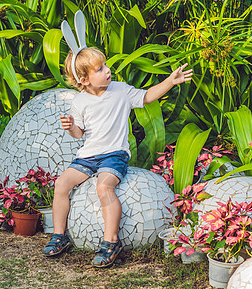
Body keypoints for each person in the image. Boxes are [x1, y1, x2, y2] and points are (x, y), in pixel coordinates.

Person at [42, 45, 193, 267]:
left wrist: (171, 81)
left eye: (105, 65)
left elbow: (147, 97)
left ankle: (111, 242)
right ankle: (58, 236)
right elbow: (78, 134)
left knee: (104, 187)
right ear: (84, 80)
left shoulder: (121, 90)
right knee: (61, 184)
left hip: (114, 155)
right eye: (100, 69)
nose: (108, 70)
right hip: (88, 156)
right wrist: (71, 126)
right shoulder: (80, 101)